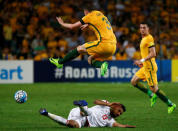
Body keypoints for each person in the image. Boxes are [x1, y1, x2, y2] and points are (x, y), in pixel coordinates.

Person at [49, 4, 117, 76]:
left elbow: (72, 26)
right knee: (90, 59)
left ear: (86, 11)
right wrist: (88, 24)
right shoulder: (99, 13)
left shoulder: (88, 17)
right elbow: (99, 23)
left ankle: (60, 62)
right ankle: (101, 65)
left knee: (79, 48)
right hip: (113, 47)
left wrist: (62, 23)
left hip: (104, 44)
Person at [131, 23, 176, 114]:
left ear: (148, 29)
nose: (142, 29)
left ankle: (171, 104)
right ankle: (151, 95)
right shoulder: (143, 38)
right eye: (141, 28)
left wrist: (142, 60)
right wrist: (142, 62)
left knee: (154, 89)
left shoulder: (149, 38)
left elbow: (153, 53)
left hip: (150, 67)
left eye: (144, 28)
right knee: (133, 81)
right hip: (145, 66)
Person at [39, 100, 136, 128]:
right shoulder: (106, 105)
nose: (119, 114)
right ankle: (83, 106)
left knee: (70, 124)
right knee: (88, 113)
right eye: (119, 111)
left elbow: (117, 125)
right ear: (115, 106)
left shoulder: (110, 120)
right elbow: (96, 101)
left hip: (81, 121)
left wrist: (125, 126)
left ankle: (46, 113)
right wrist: (108, 104)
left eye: (120, 114)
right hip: (81, 113)